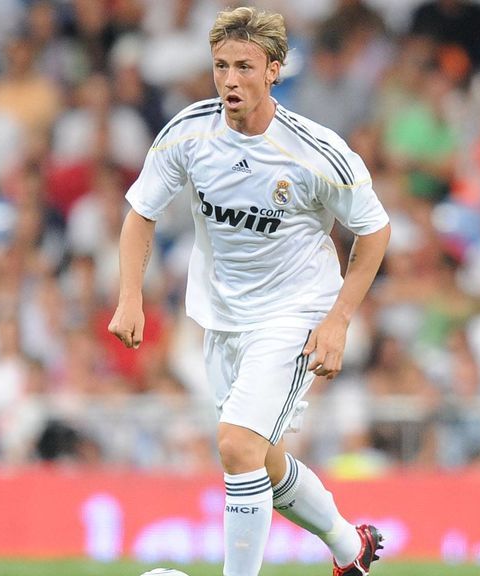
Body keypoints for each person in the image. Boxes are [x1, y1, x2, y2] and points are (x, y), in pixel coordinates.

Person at [108, 7, 391, 576]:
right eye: (220, 66)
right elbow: (141, 212)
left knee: (237, 445)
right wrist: (129, 297)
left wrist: (337, 321)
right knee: (258, 456)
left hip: (294, 313)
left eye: (244, 66)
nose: (230, 80)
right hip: (221, 316)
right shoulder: (189, 132)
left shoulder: (315, 152)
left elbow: (374, 229)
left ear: (275, 70)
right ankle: (349, 547)